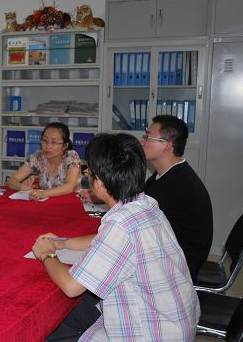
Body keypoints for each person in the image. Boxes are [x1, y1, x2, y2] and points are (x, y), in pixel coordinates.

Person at [28, 133, 199, 342]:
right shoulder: (145, 204)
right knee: (69, 314)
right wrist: (64, 242)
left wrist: (48, 254)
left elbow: (71, 286)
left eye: (89, 172)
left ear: (98, 182)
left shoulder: (121, 225)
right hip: (172, 330)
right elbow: (104, 240)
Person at [79, 116, 212, 282]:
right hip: (166, 254)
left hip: (177, 266)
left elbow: (132, 218)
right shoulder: (165, 175)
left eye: (148, 137)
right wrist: (103, 194)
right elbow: (135, 199)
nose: (142, 142)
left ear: (168, 145)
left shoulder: (177, 185)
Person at [5, 122, 81, 200]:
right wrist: (21, 187)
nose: (47, 146)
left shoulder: (71, 156)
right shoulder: (38, 157)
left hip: (70, 202)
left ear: (65, 146)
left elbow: (70, 186)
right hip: (45, 203)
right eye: (45, 140)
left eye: (54, 142)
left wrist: (45, 193)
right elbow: (11, 180)